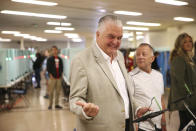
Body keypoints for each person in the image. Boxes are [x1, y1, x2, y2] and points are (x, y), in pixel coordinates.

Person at [69, 15, 149, 131]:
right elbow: (75, 99)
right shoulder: (81, 60)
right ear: (98, 35)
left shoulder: (120, 56)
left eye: (119, 38)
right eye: (111, 37)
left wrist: (136, 109)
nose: (116, 42)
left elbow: (123, 93)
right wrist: (85, 111)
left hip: (127, 126)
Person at [129, 43, 166, 131]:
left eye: (144, 54)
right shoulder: (130, 77)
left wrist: (163, 120)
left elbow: (161, 99)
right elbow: (129, 103)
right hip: (142, 126)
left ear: (152, 58)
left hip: (158, 126)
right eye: (137, 54)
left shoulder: (159, 75)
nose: (140, 57)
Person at [168, 33, 196, 130]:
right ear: (179, 44)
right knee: (186, 127)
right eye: (185, 42)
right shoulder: (179, 59)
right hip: (184, 104)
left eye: (190, 41)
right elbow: (180, 81)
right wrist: (190, 95)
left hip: (190, 102)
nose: (188, 44)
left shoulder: (189, 59)